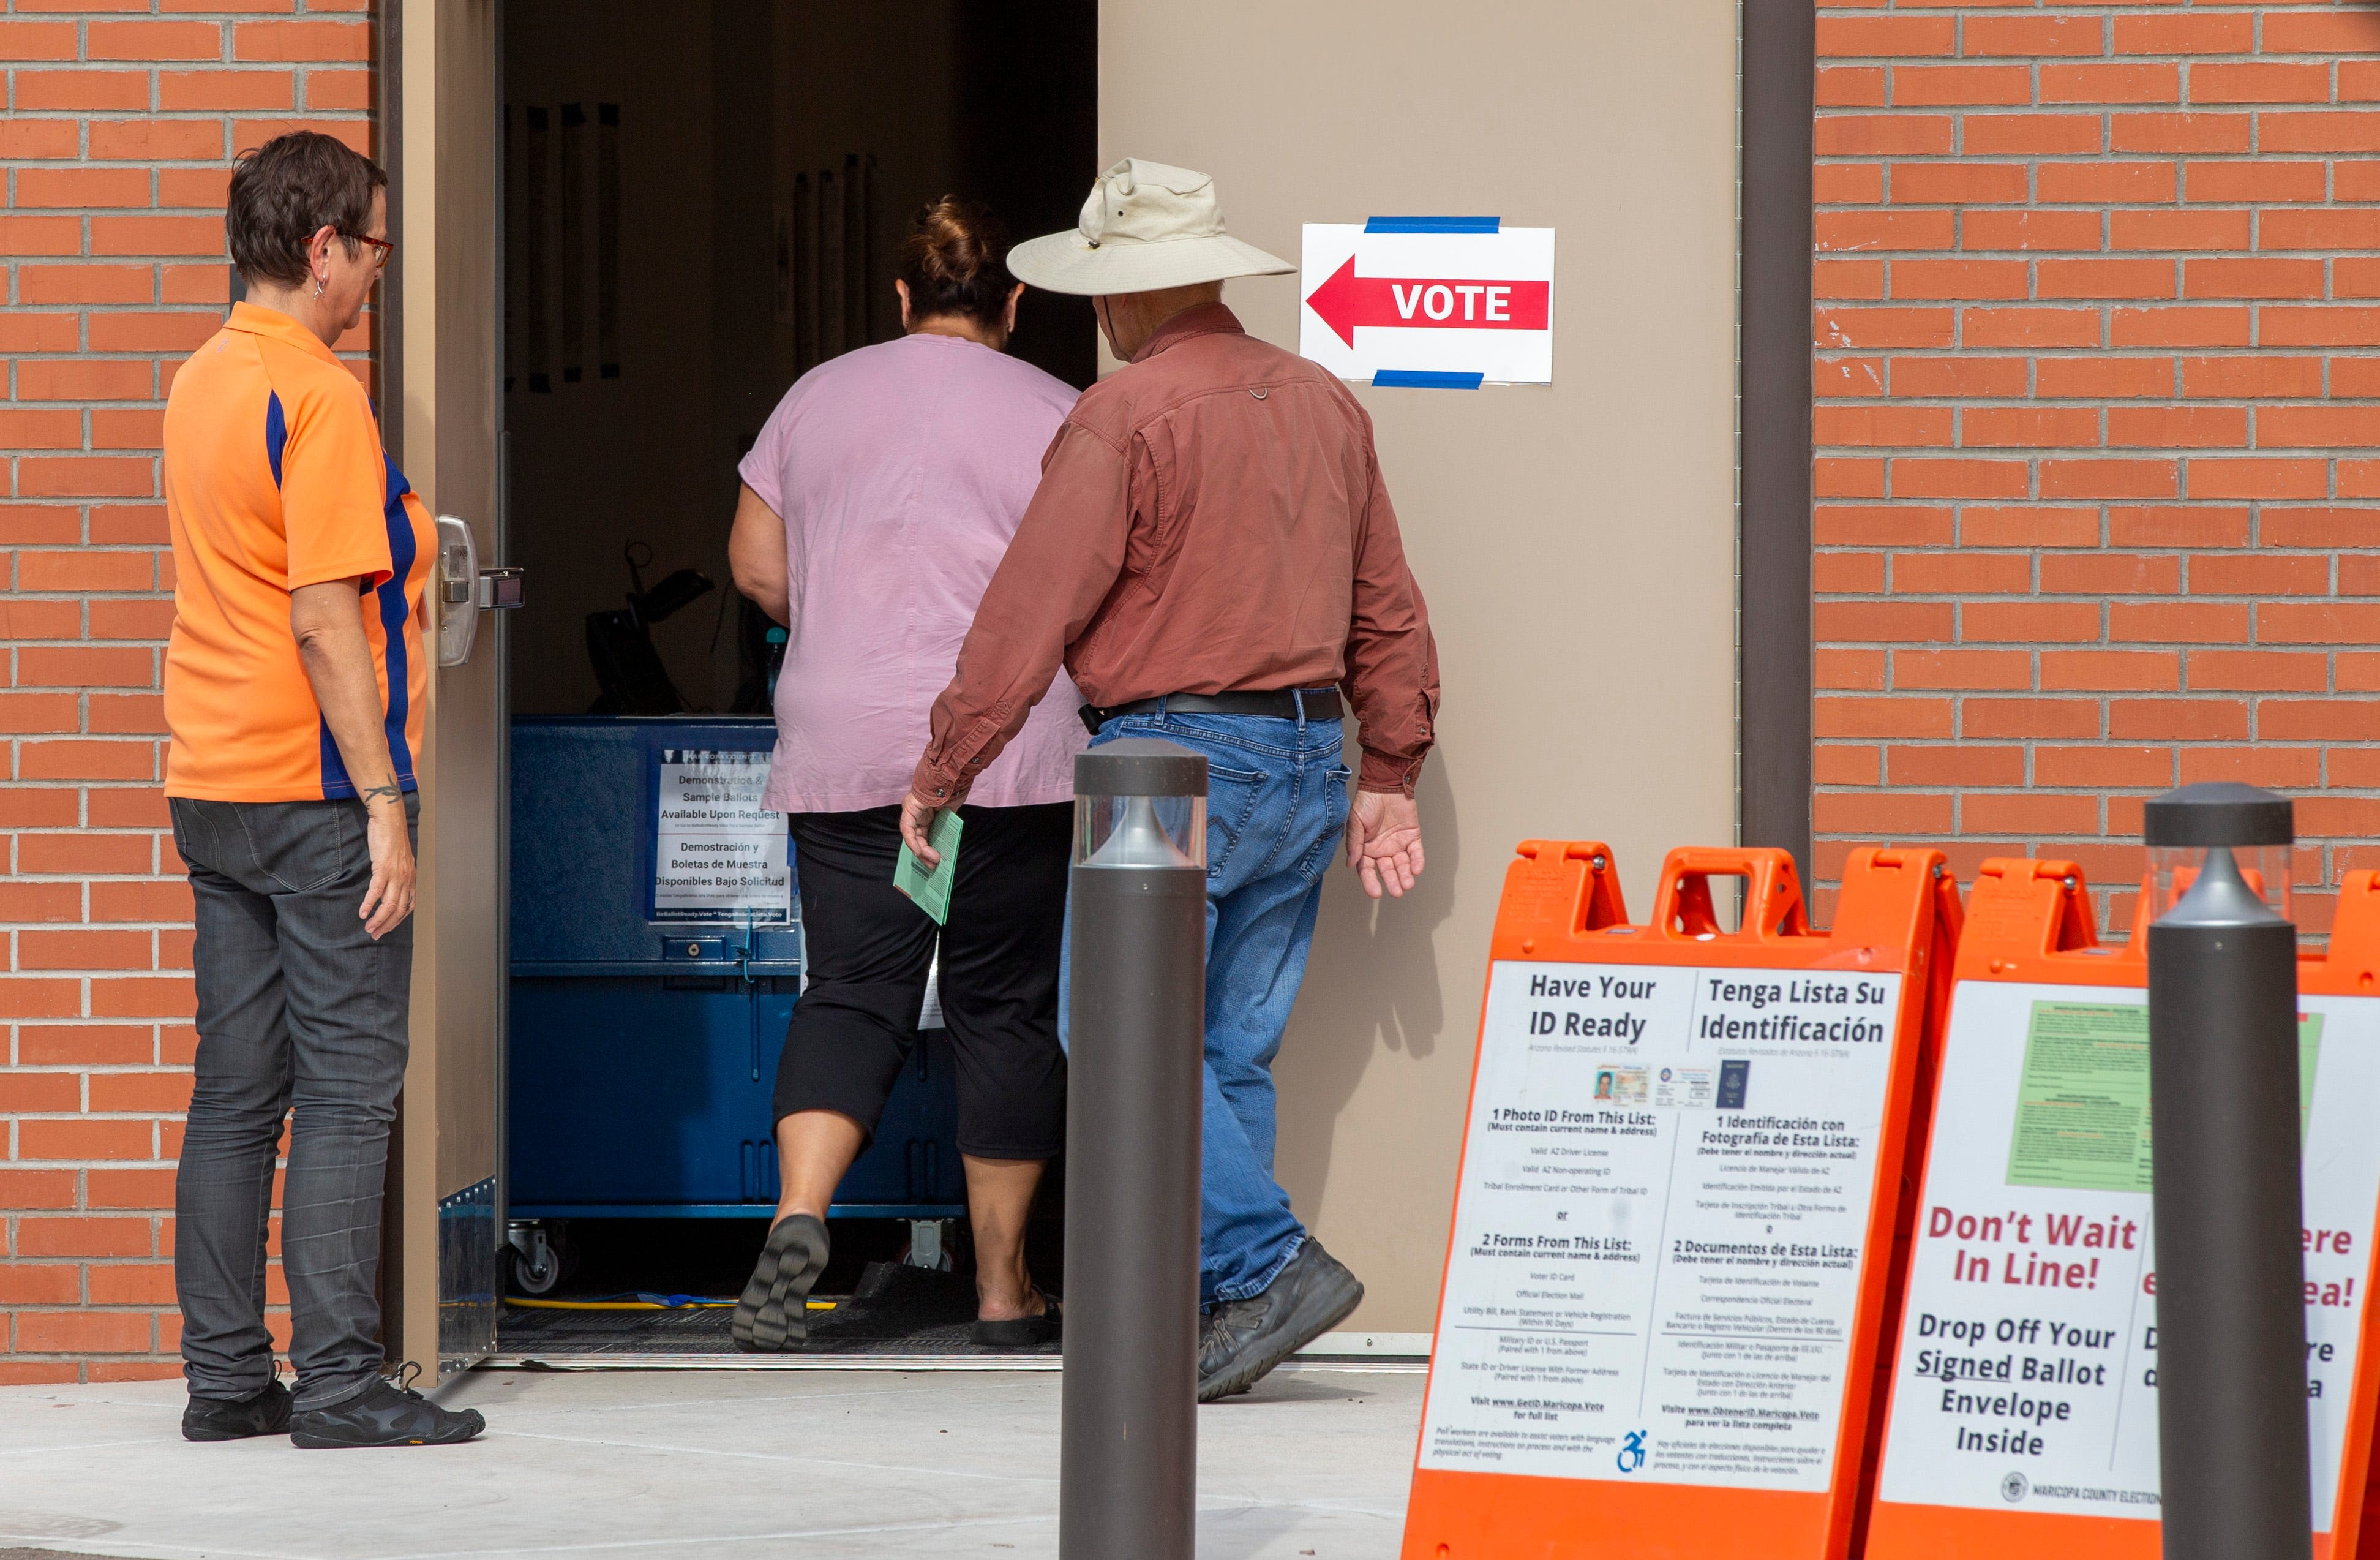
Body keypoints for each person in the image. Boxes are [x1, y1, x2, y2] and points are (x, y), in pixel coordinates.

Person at [901, 159, 1439, 1401]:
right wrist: (1390, 769)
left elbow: (1028, 610)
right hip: (1312, 754)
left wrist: (946, 765)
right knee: (1229, 1047)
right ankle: (1225, 1316)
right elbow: (1388, 608)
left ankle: (1262, 1265)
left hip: (1169, 760)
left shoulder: (1125, 415)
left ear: (1126, 295)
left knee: (1123, 1028)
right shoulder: (1322, 401)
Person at [163, 132, 484, 1447]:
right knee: (351, 1082)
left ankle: (229, 1380)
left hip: (212, 778)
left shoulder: (198, 379)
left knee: (238, 1088)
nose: (376, 276)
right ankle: (344, 1383)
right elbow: (322, 618)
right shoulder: (323, 395)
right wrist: (386, 801)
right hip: (311, 787)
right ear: (323, 249)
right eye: (375, 249)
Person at [727, 197, 1084, 1352]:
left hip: (850, 739)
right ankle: (1000, 1289)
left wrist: (842, 614)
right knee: (1003, 1005)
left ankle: (798, 1217)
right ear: (1014, 305)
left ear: (899, 297)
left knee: (851, 992)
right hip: (1010, 752)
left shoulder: (816, 397)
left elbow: (755, 567)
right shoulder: (1061, 412)